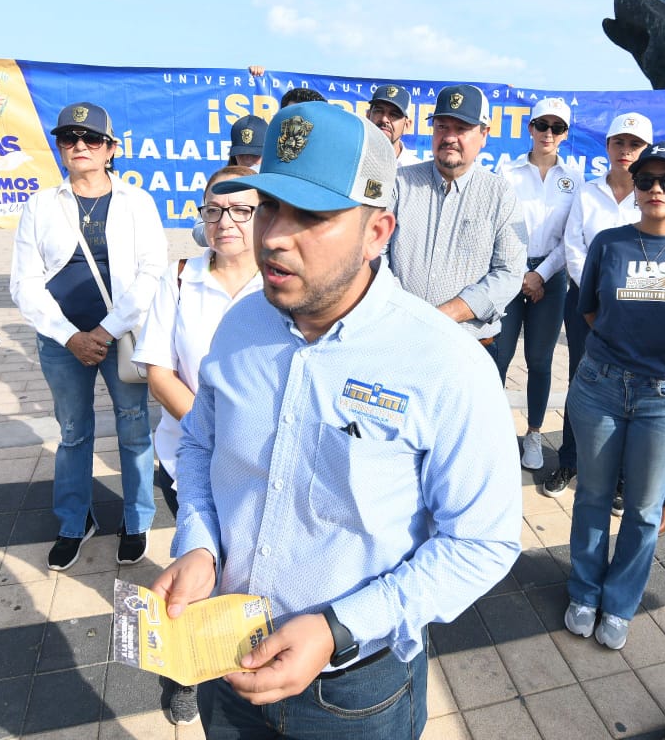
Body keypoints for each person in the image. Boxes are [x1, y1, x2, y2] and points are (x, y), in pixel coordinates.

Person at [151, 101, 521, 738]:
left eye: (312, 215)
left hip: (354, 693)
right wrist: (200, 544)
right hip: (227, 657)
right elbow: (201, 446)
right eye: (268, 206)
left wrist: (338, 626)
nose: (272, 235)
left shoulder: (446, 363)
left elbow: (482, 543)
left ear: (378, 232)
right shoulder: (241, 325)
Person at [564, 140, 665, 651]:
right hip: (600, 386)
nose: (655, 190)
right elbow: (590, 308)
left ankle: (619, 600)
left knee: (642, 507)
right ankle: (584, 590)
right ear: (633, 189)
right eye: (645, 181)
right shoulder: (610, 243)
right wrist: (624, 351)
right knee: (592, 496)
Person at [10, 102, 167, 571]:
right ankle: (74, 523)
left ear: (111, 149)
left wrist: (103, 330)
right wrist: (68, 335)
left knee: (134, 429)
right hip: (62, 344)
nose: (79, 146)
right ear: (59, 147)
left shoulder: (137, 202)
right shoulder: (40, 204)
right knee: (74, 434)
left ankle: (137, 521)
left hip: (120, 338)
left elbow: (151, 270)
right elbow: (24, 282)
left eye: (91, 139)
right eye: (68, 138)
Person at [133, 164, 263, 725]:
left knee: (245, 570)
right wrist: (216, 434)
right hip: (186, 454)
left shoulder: (281, 280)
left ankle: (241, 661)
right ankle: (182, 673)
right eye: (215, 209)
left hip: (261, 464)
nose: (226, 221)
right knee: (192, 565)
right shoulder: (181, 277)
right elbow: (158, 372)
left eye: (241, 210)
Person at [541, 111, 652, 503]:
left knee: (629, 388)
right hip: (586, 303)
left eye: (635, 145)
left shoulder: (652, 196)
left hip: (638, 310)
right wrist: (598, 292)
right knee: (581, 379)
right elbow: (574, 246)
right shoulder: (587, 193)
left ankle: (619, 475)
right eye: (619, 143)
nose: (626, 151)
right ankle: (569, 459)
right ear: (607, 147)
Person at [388, 83, 526, 365]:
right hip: (399, 338)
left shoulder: (501, 195)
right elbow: (374, 254)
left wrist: (446, 314)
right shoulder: (400, 184)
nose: (449, 137)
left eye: (461, 128)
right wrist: (404, 310)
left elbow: (509, 272)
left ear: (484, 134)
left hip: (469, 348)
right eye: (441, 127)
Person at [496, 97, 583, 471]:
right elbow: (498, 225)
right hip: (508, 272)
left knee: (540, 360)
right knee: (498, 357)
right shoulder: (507, 171)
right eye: (542, 125)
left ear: (565, 134)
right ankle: (492, 430)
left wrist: (541, 275)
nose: (548, 133)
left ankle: (533, 433)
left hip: (551, 276)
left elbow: (572, 237)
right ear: (530, 128)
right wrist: (520, 274)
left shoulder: (574, 178)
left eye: (557, 127)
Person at [192, 116, 269, 247]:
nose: (248, 161)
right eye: (242, 155)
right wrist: (221, 228)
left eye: (255, 155)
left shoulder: (278, 184)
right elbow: (198, 232)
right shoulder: (221, 184)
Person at [367, 82, 422, 165]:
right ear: (368, 116)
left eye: (394, 114)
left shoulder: (418, 171)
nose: (384, 119)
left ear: (407, 126)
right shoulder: (351, 162)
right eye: (378, 111)